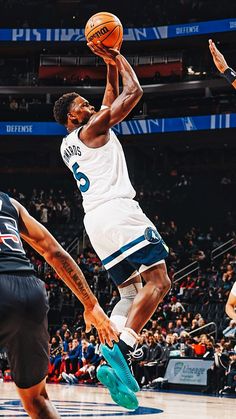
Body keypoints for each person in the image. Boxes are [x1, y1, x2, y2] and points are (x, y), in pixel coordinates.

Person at [53, 41, 171, 409]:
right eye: (82, 107)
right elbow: (133, 92)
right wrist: (118, 56)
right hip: (120, 211)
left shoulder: (70, 142)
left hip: (96, 222)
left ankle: (110, 360)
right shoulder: (92, 130)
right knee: (160, 281)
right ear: (73, 117)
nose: (90, 107)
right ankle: (125, 346)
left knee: (130, 294)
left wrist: (107, 67)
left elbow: (108, 98)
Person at [0, 191, 118, 419]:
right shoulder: (9, 203)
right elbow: (53, 251)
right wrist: (91, 304)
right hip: (29, 290)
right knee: (36, 399)